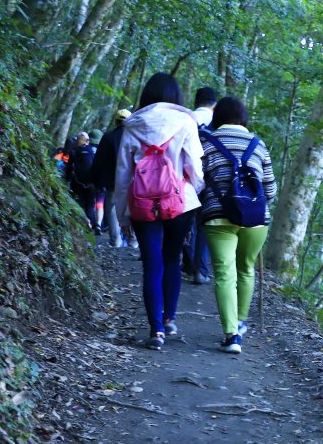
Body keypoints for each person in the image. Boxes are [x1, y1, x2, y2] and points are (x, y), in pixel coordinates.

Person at [114, 73, 204, 350]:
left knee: (151, 264)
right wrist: (193, 191)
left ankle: (156, 331)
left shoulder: (132, 125)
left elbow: (123, 174)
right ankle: (169, 318)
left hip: (142, 203)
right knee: (172, 258)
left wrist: (122, 215)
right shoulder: (186, 122)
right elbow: (195, 167)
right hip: (180, 202)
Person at [201, 97, 277, 354]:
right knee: (246, 269)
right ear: (243, 118)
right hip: (256, 219)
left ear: (217, 117)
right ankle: (241, 321)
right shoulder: (258, 144)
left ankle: (232, 335)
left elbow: (197, 181)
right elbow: (270, 189)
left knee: (224, 273)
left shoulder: (206, 142)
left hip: (218, 216)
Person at [183, 87, 217, 284]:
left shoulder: (186, 119)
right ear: (214, 104)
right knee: (202, 224)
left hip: (184, 178)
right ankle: (200, 270)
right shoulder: (218, 123)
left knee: (185, 221)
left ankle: (187, 263)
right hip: (209, 179)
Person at [90, 109, 134, 248]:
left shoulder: (108, 137)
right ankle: (133, 241)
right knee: (134, 208)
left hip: (113, 180)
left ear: (116, 121)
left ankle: (116, 240)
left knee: (112, 207)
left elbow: (99, 161)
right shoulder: (136, 137)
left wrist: (96, 180)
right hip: (134, 179)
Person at [65, 131, 100, 234]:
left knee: (80, 202)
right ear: (87, 141)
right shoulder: (93, 151)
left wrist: (67, 180)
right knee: (90, 204)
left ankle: (83, 224)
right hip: (92, 182)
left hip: (78, 182)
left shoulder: (74, 151)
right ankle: (92, 224)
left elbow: (69, 168)